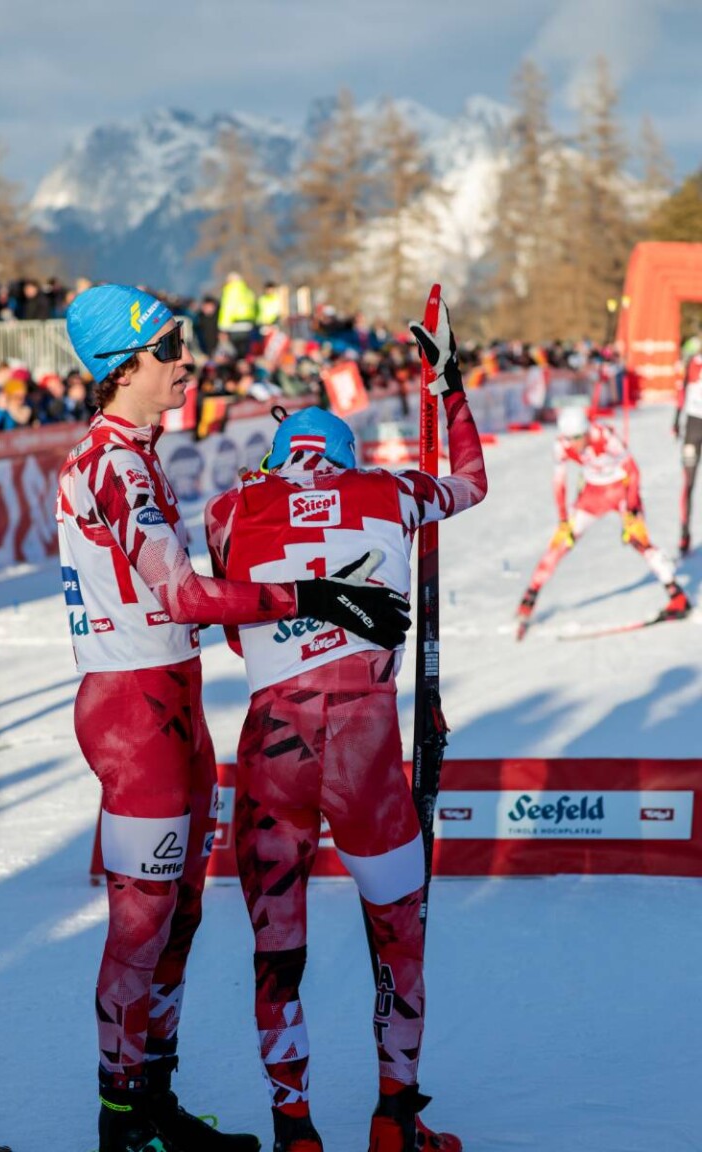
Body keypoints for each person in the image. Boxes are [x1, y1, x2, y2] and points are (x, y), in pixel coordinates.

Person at [58, 283, 410, 1152]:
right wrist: (321, 594)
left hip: (168, 697)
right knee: (142, 923)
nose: (187, 363)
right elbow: (184, 594)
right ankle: (120, 1122)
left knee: (181, 914)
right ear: (124, 365)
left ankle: (154, 1103)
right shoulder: (111, 463)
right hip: (134, 712)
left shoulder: (136, 456)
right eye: (170, 349)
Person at [204, 301, 487, 1152]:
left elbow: (229, 620)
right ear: (346, 456)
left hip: (274, 738)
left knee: (275, 945)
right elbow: (472, 482)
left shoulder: (228, 510)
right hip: (365, 739)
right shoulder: (390, 490)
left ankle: (294, 1129)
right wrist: (452, 387)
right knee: (398, 926)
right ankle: (396, 1117)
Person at [516, 405, 691, 639]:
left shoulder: (605, 437)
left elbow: (633, 470)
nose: (575, 443)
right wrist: (562, 519)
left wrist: (631, 509)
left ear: (586, 431)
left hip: (620, 491)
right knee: (561, 542)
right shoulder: (562, 445)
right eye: (570, 438)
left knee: (639, 540)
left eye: (578, 437)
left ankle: (677, 597)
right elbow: (559, 482)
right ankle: (529, 599)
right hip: (591, 496)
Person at [674, 346, 702, 556]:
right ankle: (685, 532)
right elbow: (682, 391)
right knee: (689, 482)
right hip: (694, 425)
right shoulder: (694, 361)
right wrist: (675, 419)